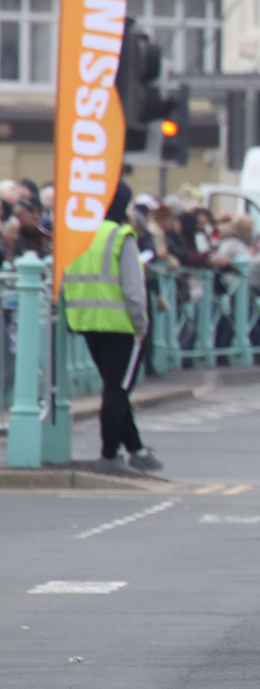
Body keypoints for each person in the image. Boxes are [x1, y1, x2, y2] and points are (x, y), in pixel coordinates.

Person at [61, 182, 162, 476]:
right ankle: (109, 454)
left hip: (87, 320)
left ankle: (136, 449)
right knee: (118, 389)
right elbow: (133, 289)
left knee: (114, 387)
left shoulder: (79, 233)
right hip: (120, 323)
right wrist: (141, 324)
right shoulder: (121, 236)